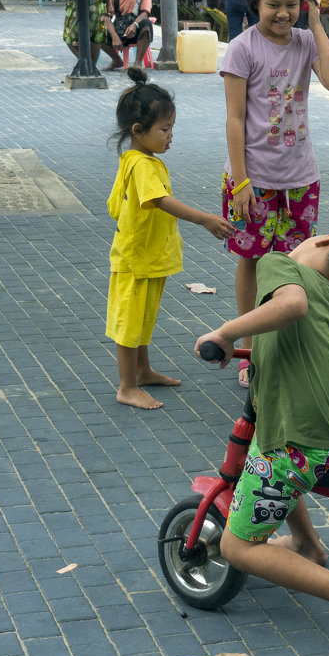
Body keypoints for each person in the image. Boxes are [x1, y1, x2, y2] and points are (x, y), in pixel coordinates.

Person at [194, 232, 329, 656]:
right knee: (270, 471)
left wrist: (225, 333)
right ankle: (307, 545)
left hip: (296, 446)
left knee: (237, 547)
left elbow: (290, 305)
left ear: (322, 241)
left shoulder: (283, 265)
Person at [222, 0, 329, 387]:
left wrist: (316, 25)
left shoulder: (306, 41)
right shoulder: (242, 48)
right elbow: (235, 119)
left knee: (294, 264)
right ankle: (250, 347)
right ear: (256, 3)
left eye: (291, 4)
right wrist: (240, 181)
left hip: (300, 177)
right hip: (251, 177)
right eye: (273, 4)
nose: (282, 14)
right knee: (252, 260)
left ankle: (285, 342)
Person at [106, 68, 235, 410]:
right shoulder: (142, 166)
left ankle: (143, 371)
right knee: (129, 324)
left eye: (171, 128)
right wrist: (205, 219)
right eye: (164, 129)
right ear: (138, 130)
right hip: (136, 260)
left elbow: (117, 205)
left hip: (146, 258)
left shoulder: (136, 159)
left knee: (142, 319)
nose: (170, 136)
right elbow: (161, 201)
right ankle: (127, 386)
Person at [102, 0, 154, 71]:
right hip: (119, 28)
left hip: (138, 27)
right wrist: (114, 36)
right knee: (96, 28)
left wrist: (135, 25)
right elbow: (105, 16)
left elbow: (145, 12)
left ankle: (138, 63)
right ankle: (116, 60)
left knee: (146, 24)